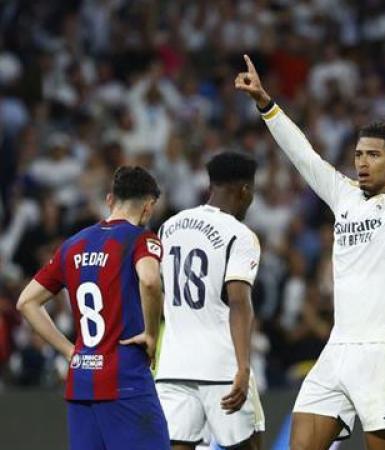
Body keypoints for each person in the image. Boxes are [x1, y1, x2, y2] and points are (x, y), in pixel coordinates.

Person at [235, 54, 385, 450]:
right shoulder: (344, 196)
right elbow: (304, 156)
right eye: (359, 154)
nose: (362, 162)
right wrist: (265, 103)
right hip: (337, 347)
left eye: (373, 155)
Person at [16, 166, 168, 450]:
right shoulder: (142, 239)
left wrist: (68, 350)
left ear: (110, 200)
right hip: (126, 382)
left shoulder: (73, 244)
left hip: (81, 383)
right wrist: (151, 334)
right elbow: (149, 281)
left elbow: (26, 302)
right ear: (149, 207)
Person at [155, 152, 264, 450]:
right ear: (245, 190)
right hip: (221, 365)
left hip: (174, 365)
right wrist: (243, 367)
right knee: (250, 446)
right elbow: (239, 302)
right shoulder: (240, 235)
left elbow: (154, 288)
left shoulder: (169, 226)